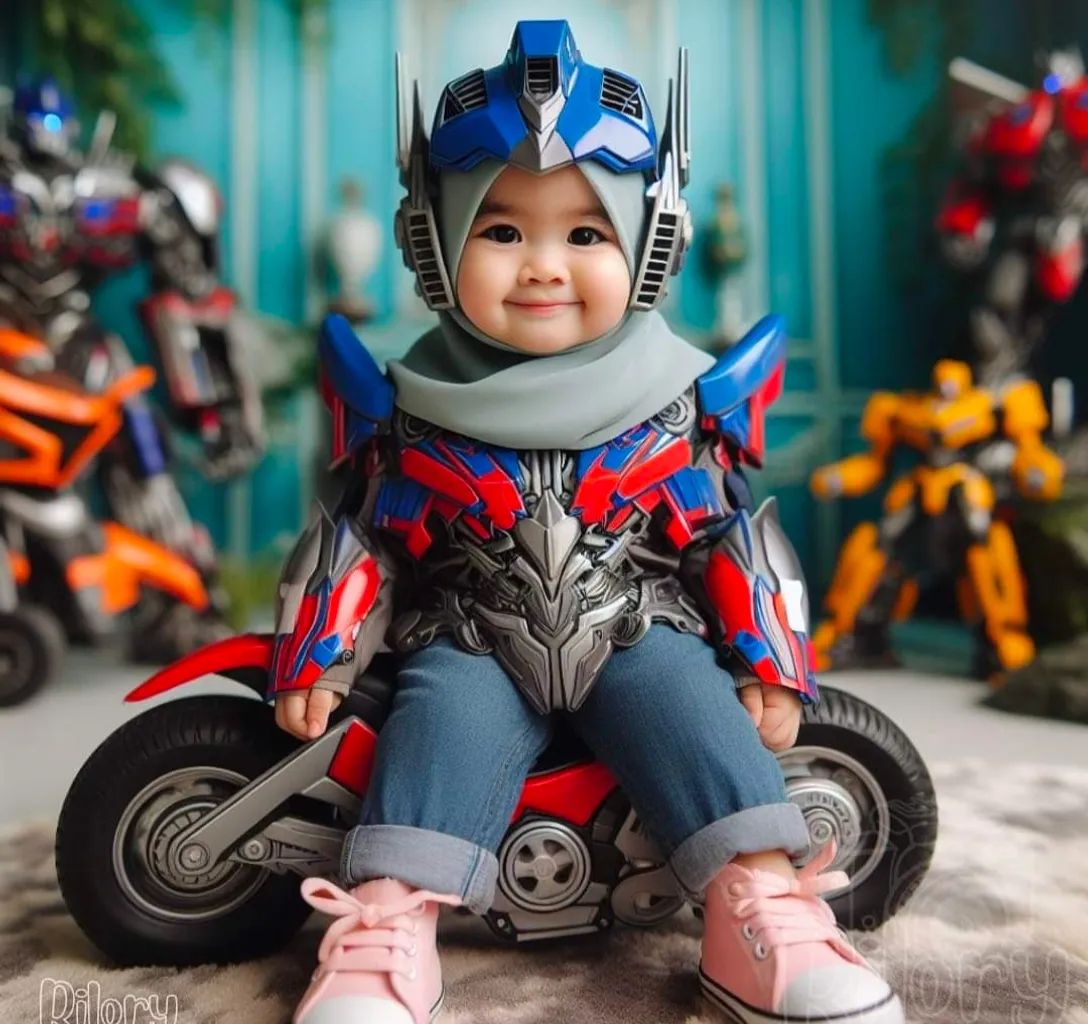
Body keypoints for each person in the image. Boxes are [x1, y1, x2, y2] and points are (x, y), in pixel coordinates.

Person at [270, 21, 904, 1024]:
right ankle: (389, 921)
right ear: (432, 237)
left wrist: (768, 658)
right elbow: (365, 539)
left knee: (689, 708)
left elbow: (725, 532)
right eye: (501, 228)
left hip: (635, 624)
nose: (542, 266)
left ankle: (758, 900)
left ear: (650, 242)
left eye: (584, 232)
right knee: (436, 723)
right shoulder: (412, 406)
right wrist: (319, 649)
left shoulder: (672, 401)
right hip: (471, 633)